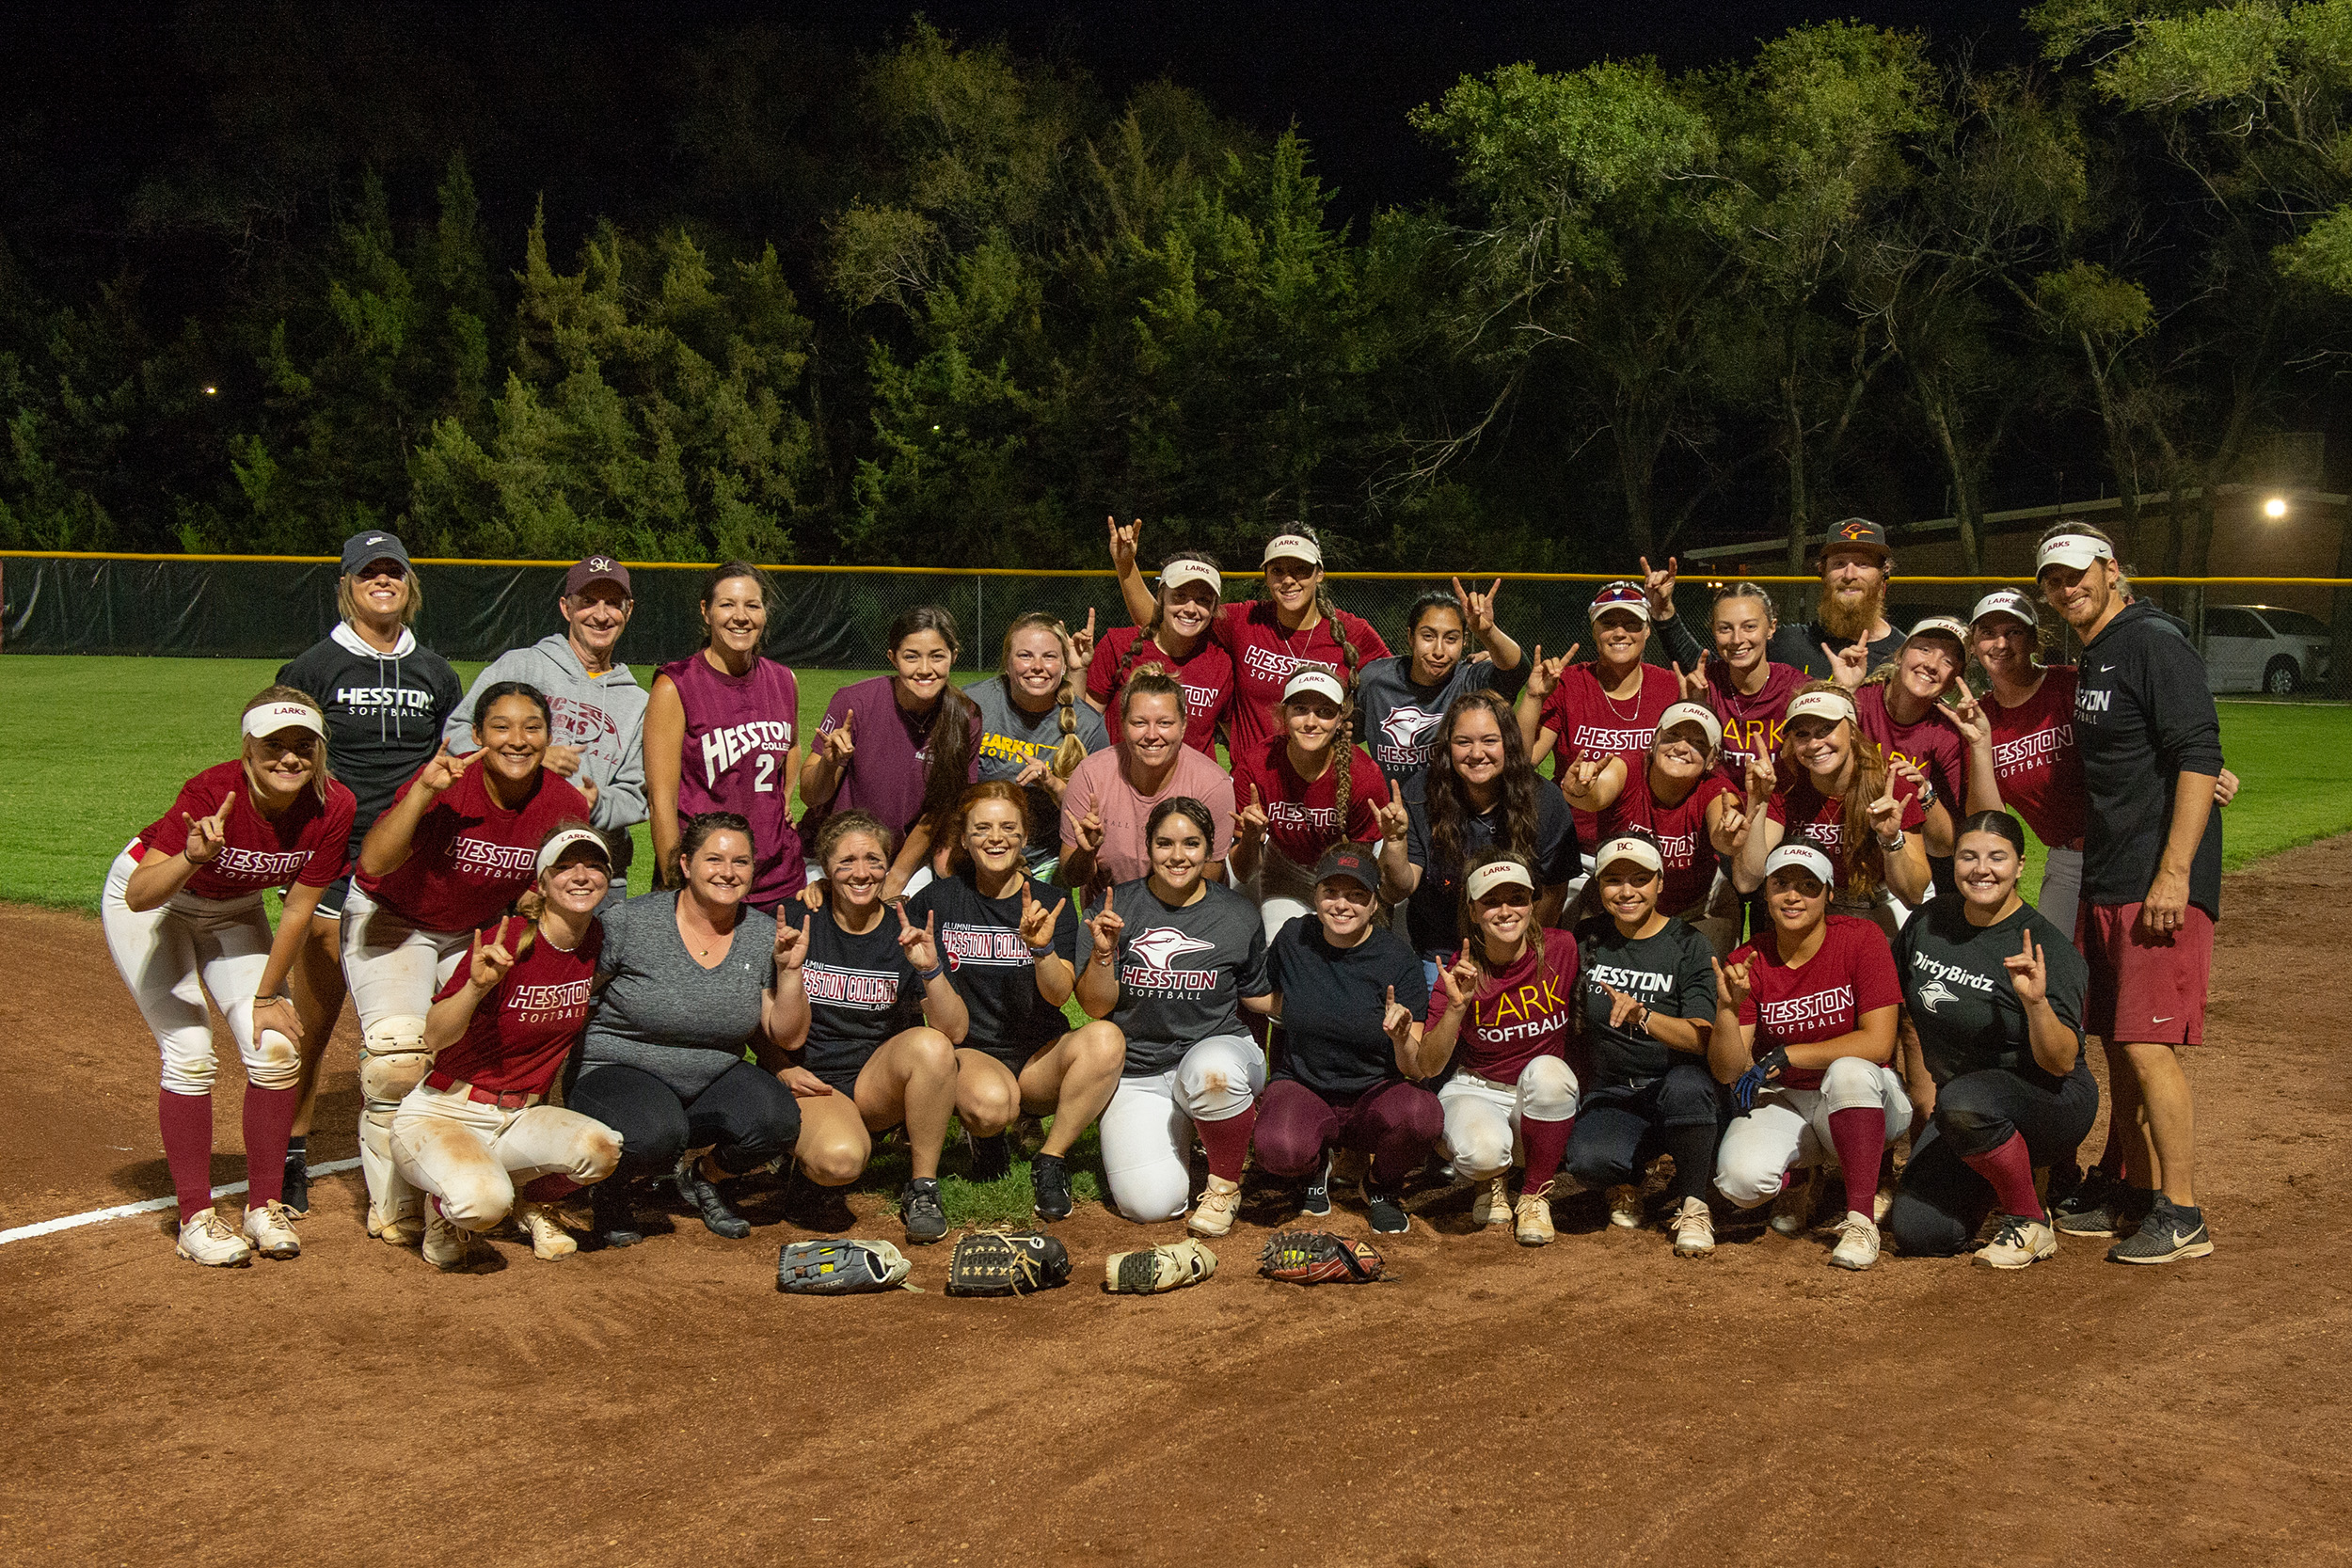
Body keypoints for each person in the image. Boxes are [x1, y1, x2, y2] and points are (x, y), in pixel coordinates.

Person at [101, 688, 357, 1265]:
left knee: (274, 1049)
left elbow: (297, 908)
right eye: (273, 745)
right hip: (156, 902)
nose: (289, 758)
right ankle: (195, 1220)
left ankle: (263, 1206)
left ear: (319, 751)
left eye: (302, 746)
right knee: (190, 1051)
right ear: (248, 748)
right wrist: (191, 857)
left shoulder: (334, 805)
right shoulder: (212, 791)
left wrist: (267, 995)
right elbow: (140, 896)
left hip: (233, 911)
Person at [2036, 523, 2223, 1264]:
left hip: (2156, 881)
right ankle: (2136, 1191)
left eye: (2077, 574)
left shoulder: (2152, 640)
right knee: (2118, 1045)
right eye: (2054, 580)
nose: (2066, 588)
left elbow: (2198, 750)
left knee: (2148, 1044)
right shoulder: (2098, 652)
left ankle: (2183, 1212)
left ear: (2111, 570)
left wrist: (2174, 872)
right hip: (2111, 876)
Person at [347, 681, 591, 1244]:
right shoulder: (449, 781)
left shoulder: (563, 803)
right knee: (396, 1062)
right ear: (476, 735)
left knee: (473, 1051)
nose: (517, 740)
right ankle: (392, 1206)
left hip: (472, 933)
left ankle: (457, 1175)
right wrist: (419, 795)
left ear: (548, 737)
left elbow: (545, 886)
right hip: (395, 917)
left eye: (532, 727)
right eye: (501, 727)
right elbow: (375, 865)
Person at [274, 528, 463, 1212]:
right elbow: (284, 769)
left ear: (409, 586)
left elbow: (454, 770)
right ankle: (289, 1150)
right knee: (317, 1019)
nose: (380, 581)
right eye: (367, 573)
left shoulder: (436, 674)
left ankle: (429, 1146)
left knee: (420, 1026)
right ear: (347, 586)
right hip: (334, 863)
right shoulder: (314, 668)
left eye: (392, 572)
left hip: (412, 869)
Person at [569, 813, 805, 1248]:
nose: (728, 873)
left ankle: (701, 1178)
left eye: (741, 861)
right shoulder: (630, 922)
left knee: (777, 1121)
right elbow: (577, 994)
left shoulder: (761, 933)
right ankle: (611, 1190)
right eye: (713, 859)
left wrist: (791, 973)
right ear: (685, 864)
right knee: (656, 1133)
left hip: (710, 1073)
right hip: (619, 1066)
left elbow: (786, 1036)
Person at [397, 828, 626, 1270]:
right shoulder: (508, 942)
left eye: (594, 865)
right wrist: (474, 990)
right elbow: (435, 1037)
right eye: (564, 867)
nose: (581, 876)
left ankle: (530, 1203)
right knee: (482, 1206)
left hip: (521, 1116)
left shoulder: (595, 940)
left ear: (608, 878)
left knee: (602, 1149)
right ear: (541, 883)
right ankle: (445, 1209)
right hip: (443, 1111)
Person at [905, 782, 1126, 1220]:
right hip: (971, 1054)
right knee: (991, 1107)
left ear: (1025, 837)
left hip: (1039, 1060)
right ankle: (985, 1135)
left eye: (1009, 827)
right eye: (982, 828)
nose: (996, 837)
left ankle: (1052, 1157)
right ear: (964, 839)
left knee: (1107, 1039)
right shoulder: (938, 901)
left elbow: (1062, 995)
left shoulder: (1050, 902)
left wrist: (1041, 949)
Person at [1886, 813, 2097, 1269]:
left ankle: (2029, 1219)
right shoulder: (1930, 922)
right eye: (1969, 856)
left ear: (2020, 866)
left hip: (2050, 1103)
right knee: (1921, 1232)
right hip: (1965, 1112)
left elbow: (2061, 1063)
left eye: (1997, 858)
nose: (1982, 869)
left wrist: (2036, 1003)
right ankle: (1997, 1175)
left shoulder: (2046, 948)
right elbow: (1886, 997)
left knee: (1965, 1101)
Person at [1076, 797, 1278, 1235]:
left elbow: (1258, 997)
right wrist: (1104, 954)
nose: (1177, 855)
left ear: (1209, 850)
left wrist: (1333, 1003)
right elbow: (1094, 1007)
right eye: (1164, 843)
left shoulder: (1237, 913)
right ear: (1148, 848)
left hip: (1215, 1049)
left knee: (1212, 1073)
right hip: (1139, 1070)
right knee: (1150, 1205)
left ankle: (1224, 1182)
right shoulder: (1114, 906)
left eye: (1191, 843)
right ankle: (1192, 1130)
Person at [1709, 842, 1910, 1271]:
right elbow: (1728, 1068)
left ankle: (1860, 1220)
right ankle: (1799, 1177)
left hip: (1868, 1096)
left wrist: (1790, 1053)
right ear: (1765, 893)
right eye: (1781, 884)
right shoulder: (1748, 959)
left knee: (1849, 1072)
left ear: (1829, 893)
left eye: (1808, 886)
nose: (1793, 896)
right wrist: (1729, 1010)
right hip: (1790, 1098)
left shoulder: (1862, 939)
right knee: (1739, 1182)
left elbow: (1878, 1044)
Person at [776, 810, 969, 1245]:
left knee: (933, 1047)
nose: (861, 873)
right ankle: (802, 1159)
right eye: (846, 862)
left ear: (888, 866)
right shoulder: (800, 921)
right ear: (825, 869)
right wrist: (790, 972)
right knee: (839, 1162)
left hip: (874, 1083)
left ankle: (922, 1187)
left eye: (873, 860)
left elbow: (954, 1031)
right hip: (815, 1083)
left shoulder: (904, 931)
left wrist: (931, 968)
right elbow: (786, 1037)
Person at [1249, 844, 1438, 1234]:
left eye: (1357, 895)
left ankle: (1380, 1187)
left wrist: (1402, 1037)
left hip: (1374, 1093)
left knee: (1422, 1117)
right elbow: (1258, 991)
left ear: (1374, 905)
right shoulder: (1294, 937)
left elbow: (1415, 1068)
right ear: (1314, 895)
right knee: (1278, 1148)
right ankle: (1316, 1166)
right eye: (1331, 892)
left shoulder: (1397, 958)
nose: (1342, 904)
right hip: (1305, 1083)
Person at [447, 554, 646, 908]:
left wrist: (597, 804)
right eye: (588, 602)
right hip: (506, 861)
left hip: (595, 871)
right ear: (566, 607)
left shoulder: (638, 702)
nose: (601, 614)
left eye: (613, 603)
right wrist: (528, 756)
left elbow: (638, 794)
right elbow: (459, 734)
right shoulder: (520, 666)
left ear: (629, 611)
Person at [1563, 833, 1723, 1258]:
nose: (1627, 891)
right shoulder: (1588, 938)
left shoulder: (1688, 944)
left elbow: (1702, 1038)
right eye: (1613, 880)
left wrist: (1644, 1017)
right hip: (1615, 1089)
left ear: (1660, 882)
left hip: (1677, 1083)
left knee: (1687, 1088)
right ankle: (1631, 1176)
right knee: (1587, 1162)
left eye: (1640, 878)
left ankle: (1694, 1201)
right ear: (1598, 886)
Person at [1112, 519, 1389, 763]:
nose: (1289, 579)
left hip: (1318, 782)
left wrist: (1358, 721)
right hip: (1253, 783)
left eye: (1301, 569)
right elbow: (1166, 622)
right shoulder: (1246, 620)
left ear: (1319, 573)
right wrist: (1126, 567)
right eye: (1278, 570)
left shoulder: (1351, 632)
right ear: (1266, 576)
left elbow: (1397, 689)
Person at [1421, 852, 1581, 1247]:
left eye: (1517, 898)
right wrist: (1457, 1008)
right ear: (1473, 912)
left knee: (1550, 1072)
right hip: (1476, 1086)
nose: (1506, 911)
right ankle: (1489, 1179)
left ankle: (1534, 1195)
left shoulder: (1562, 948)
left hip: (1535, 1097)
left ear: (1533, 903)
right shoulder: (1460, 970)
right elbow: (1427, 1064)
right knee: (1482, 1155)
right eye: (1492, 901)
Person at [1379, 689, 1577, 976]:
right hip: (1443, 951)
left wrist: (1524, 956)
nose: (1476, 753)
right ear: (1447, 746)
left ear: (1508, 744)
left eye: (1489, 741)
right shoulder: (1421, 794)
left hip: (1518, 948)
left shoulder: (1543, 800)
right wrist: (1394, 842)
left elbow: (1553, 893)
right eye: (1463, 742)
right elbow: (1397, 890)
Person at [645, 562, 803, 914]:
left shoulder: (783, 680)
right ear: (706, 611)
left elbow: (791, 746)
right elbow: (661, 800)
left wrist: (785, 798)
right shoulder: (676, 685)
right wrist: (677, 886)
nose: (740, 616)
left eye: (752, 605)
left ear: (764, 613)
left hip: (777, 876)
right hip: (708, 879)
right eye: (727, 604)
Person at [801, 605, 982, 900]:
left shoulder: (965, 717)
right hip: (831, 854)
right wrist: (829, 765)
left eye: (937, 656)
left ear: (954, 656)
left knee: (909, 934)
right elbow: (811, 797)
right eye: (911, 656)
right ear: (892, 658)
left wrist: (896, 878)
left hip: (900, 857)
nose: (925, 669)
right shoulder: (853, 702)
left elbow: (938, 810)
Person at [1732, 684, 1934, 934]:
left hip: (1876, 901)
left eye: (1826, 729)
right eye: (1802, 734)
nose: (1815, 744)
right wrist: (1758, 801)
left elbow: (1913, 895)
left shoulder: (1890, 782)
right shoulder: (1783, 780)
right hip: (1811, 901)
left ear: (1851, 730)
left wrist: (1890, 839)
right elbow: (1747, 880)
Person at [1557, 700, 1743, 956]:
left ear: (1712, 759)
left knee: (1696, 984)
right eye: (1672, 736)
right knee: (1575, 968)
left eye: (1698, 743)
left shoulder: (1715, 790)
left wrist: (1728, 833)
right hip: (1615, 901)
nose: (1681, 747)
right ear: (1654, 740)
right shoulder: (1629, 768)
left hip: (1694, 911)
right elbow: (1597, 794)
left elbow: (1725, 833)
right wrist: (1581, 790)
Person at [1516, 581, 1682, 856]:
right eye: (1608, 623)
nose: (1620, 632)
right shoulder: (1570, 683)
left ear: (1648, 630)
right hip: (1576, 846)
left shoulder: (1669, 687)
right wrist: (1534, 697)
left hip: (1649, 845)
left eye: (1632, 623)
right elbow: (1523, 759)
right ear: (1594, 630)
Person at [1230, 665, 1391, 944]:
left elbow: (1361, 865)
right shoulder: (1257, 765)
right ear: (1284, 714)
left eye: (1325, 712)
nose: (1311, 721)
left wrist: (1333, 903)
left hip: (1341, 875)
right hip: (1282, 871)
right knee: (1279, 946)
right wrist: (1252, 837)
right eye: (1300, 709)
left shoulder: (1363, 775)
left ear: (1341, 719)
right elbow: (1244, 873)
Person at [1968, 589, 2089, 935]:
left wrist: (2193, 767)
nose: (2001, 644)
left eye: (2014, 632)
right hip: (2066, 860)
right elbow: (1989, 820)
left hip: (2120, 848)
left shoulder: (2069, 684)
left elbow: (2131, 740)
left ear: (2034, 640)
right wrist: (1978, 744)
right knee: (2052, 966)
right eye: (1988, 633)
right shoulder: (1982, 718)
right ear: (1974, 647)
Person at [1644, 530, 1907, 686]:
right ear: (1822, 572)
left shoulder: (1903, 655)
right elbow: (1710, 670)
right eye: (1838, 564)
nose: (1849, 574)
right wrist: (1664, 614)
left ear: (1884, 573)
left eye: (1862, 564)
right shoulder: (1789, 643)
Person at [1059, 668, 1236, 898]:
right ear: (1123, 724)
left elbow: (1210, 878)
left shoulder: (1211, 785)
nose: (1152, 734)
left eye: (1164, 723)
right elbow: (1072, 878)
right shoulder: (1090, 775)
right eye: (1139, 722)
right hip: (1110, 915)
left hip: (1183, 915)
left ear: (1183, 725)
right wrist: (1086, 851)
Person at [965, 612, 1109, 878]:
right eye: (1025, 655)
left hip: (1045, 861)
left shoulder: (1089, 725)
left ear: (1064, 665)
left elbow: (1097, 815)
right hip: (974, 855)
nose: (1038, 666)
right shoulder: (973, 706)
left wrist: (1053, 785)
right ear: (1007, 663)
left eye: (1050, 656)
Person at [1353, 578, 1526, 791]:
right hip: (1394, 810)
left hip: (1453, 811)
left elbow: (1517, 671)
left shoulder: (1468, 680)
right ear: (1410, 636)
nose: (1439, 651)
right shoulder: (1375, 681)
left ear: (1464, 641)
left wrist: (1487, 632)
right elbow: (1347, 735)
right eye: (1428, 636)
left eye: (1451, 639)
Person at [1852, 616, 1998, 866]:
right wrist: (1843, 691)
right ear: (1900, 654)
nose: (1932, 665)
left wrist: (1925, 794)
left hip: (1898, 862)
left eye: (1948, 661)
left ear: (1956, 678)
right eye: (1924, 649)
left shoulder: (1948, 733)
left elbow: (1945, 845)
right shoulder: (1857, 701)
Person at [1648, 578, 1808, 784]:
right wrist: (1690, 706)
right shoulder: (1705, 684)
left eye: (1749, 627)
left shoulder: (1796, 688)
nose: (1736, 639)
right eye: (1725, 628)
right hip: (1719, 805)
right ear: (1713, 630)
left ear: (1771, 628)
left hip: (1777, 808)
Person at [1087, 542, 1233, 755]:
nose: (1190, 609)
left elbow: (1236, 738)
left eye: (1203, 600)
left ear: (1214, 607)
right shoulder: (1117, 644)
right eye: (1180, 596)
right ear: (1161, 597)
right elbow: (1084, 725)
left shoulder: (1221, 664)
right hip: (1122, 781)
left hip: (1190, 786)